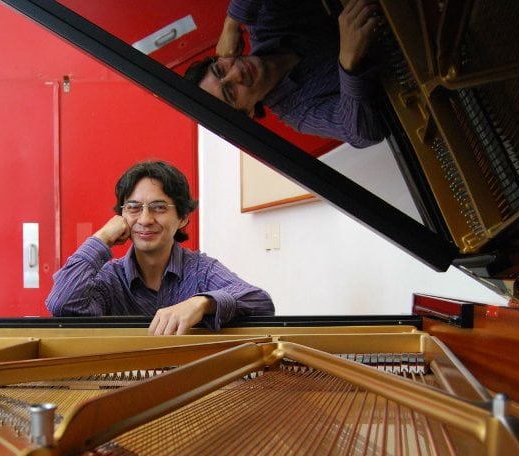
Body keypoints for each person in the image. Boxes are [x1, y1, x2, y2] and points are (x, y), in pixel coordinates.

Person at [46, 160, 275, 335]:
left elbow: (260, 303)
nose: (145, 219)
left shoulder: (201, 270)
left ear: (182, 218)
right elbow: (62, 303)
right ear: (121, 216)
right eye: (133, 208)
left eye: (159, 207)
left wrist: (202, 303)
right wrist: (102, 238)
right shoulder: (110, 279)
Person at [184, 0, 386, 148]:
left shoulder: (264, 23)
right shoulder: (299, 112)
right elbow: (363, 134)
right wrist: (348, 63)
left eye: (220, 70)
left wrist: (232, 23)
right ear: (248, 112)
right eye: (230, 92)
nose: (236, 72)